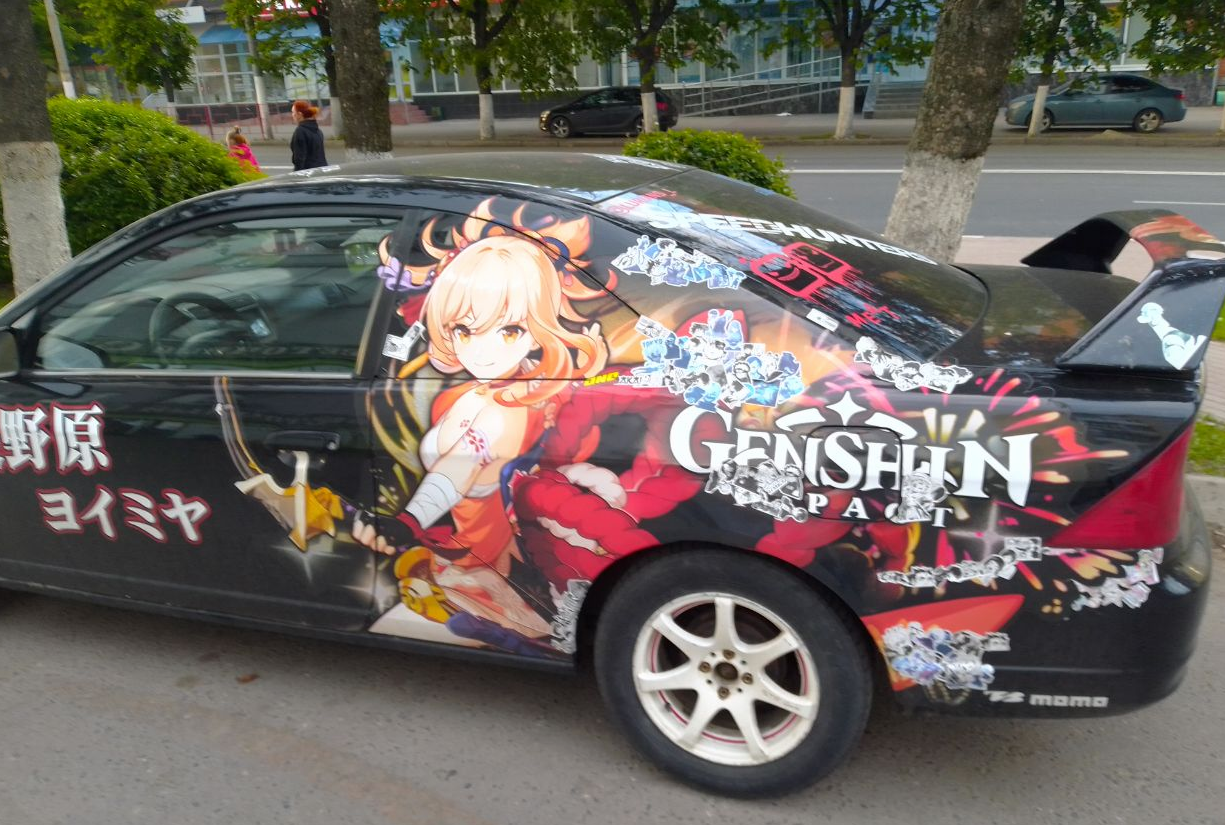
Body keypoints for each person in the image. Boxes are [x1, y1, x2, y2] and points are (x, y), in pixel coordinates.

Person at [289, 99, 328, 171]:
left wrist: (297, 174)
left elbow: (299, 158)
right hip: (322, 170)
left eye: (293, 112)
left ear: (299, 114)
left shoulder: (300, 132)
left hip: (308, 173)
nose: (292, 115)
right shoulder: (317, 130)